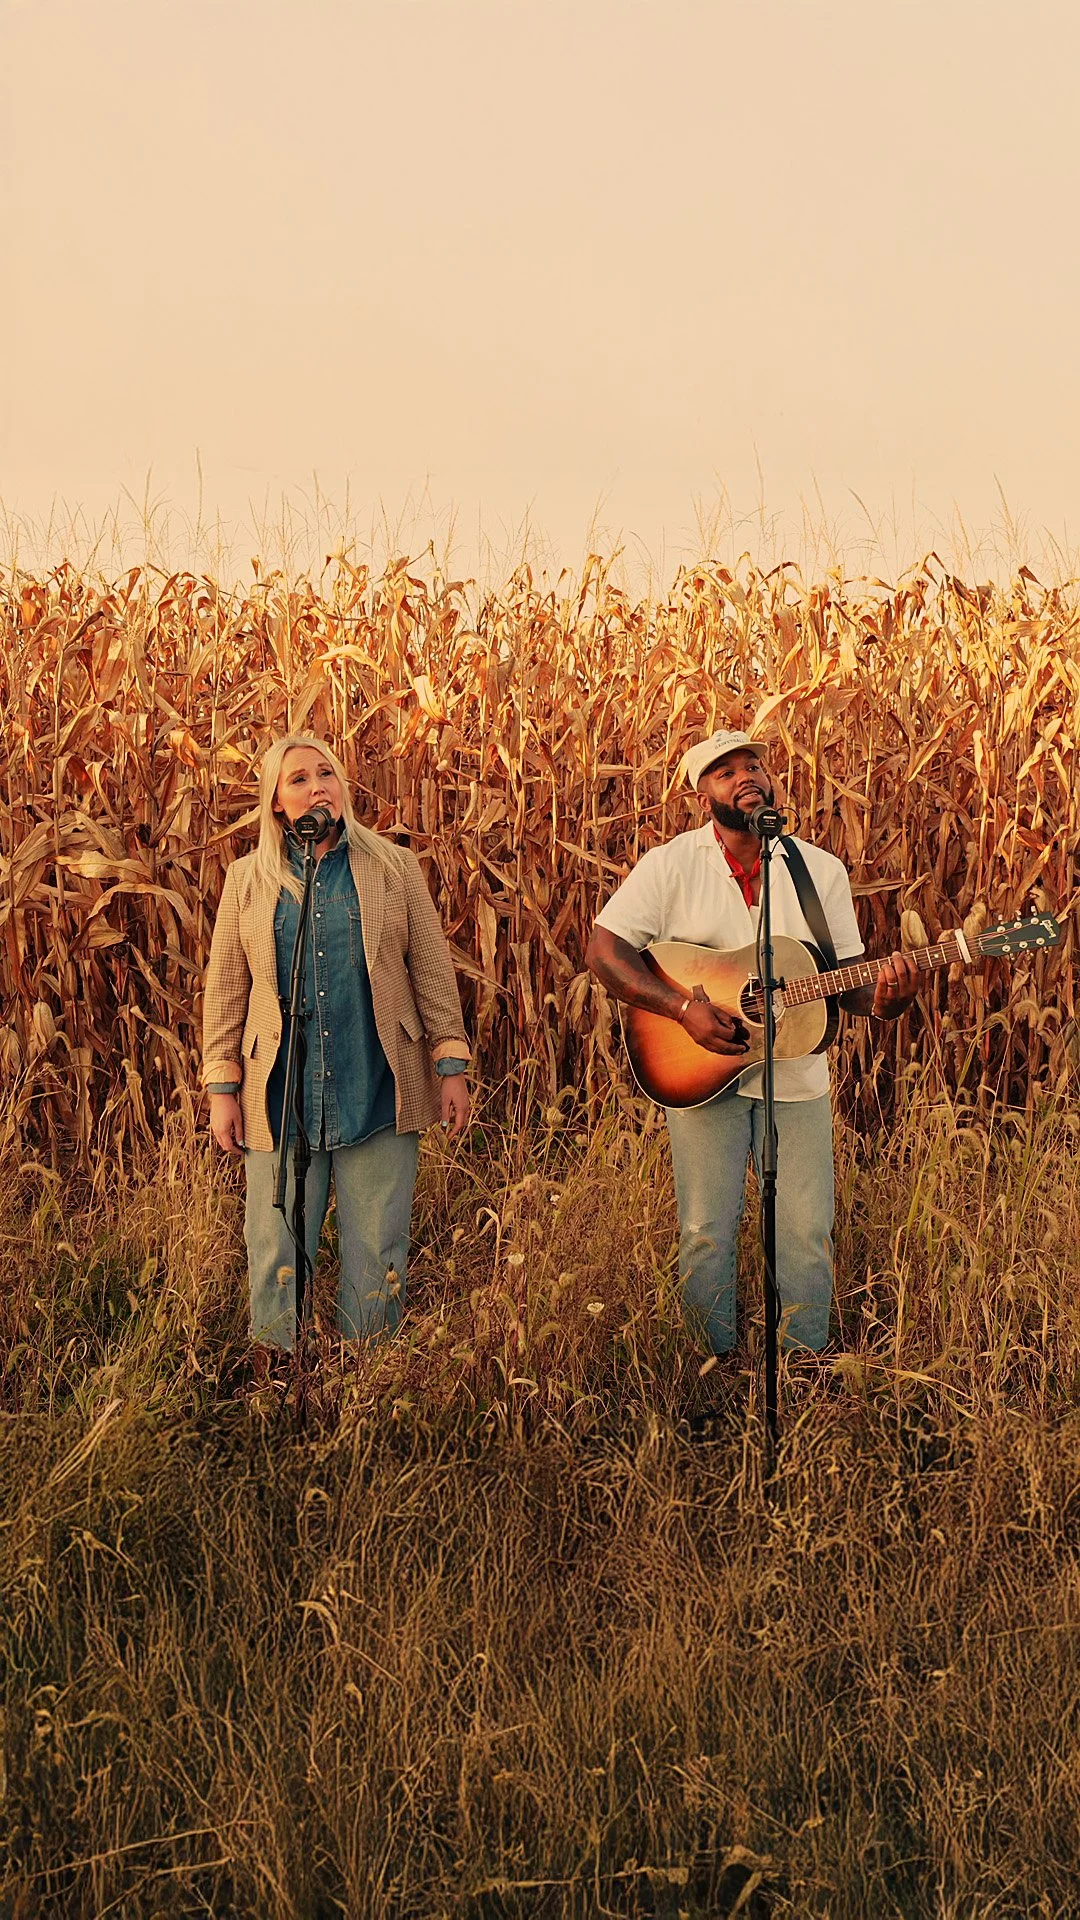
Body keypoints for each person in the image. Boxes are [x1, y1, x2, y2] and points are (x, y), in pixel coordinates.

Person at [585, 728, 919, 1357]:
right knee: (706, 1231)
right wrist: (683, 1009)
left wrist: (885, 1000)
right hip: (699, 1071)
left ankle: (804, 1368)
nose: (747, 777)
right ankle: (707, 1371)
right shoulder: (670, 866)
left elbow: (844, 981)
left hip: (796, 1077)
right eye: (725, 771)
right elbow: (604, 951)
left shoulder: (819, 871)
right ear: (703, 792)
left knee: (806, 1232)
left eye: (754, 764)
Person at [202, 734, 471, 1353]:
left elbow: (431, 970)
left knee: (378, 1243)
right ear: (275, 802)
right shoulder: (247, 880)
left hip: (376, 1082)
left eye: (326, 773)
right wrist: (223, 1087)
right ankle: (276, 1366)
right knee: (274, 1241)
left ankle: (368, 1375)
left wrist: (450, 1063)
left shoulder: (394, 868)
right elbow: (226, 988)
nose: (316, 786)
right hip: (279, 1091)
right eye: (297, 779)